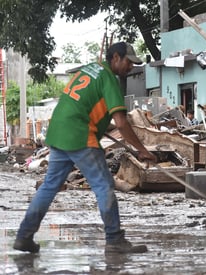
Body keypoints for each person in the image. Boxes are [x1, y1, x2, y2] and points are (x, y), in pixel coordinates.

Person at [13, 42, 157, 254]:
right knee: (104, 185)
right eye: (128, 62)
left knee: (50, 185)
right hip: (79, 135)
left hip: (59, 130)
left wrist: (99, 125)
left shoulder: (90, 69)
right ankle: (114, 239)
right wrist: (142, 150)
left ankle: (24, 236)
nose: (131, 68)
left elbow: (88, 106)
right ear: (115, 58)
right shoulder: (109, 79)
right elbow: (122, 123)